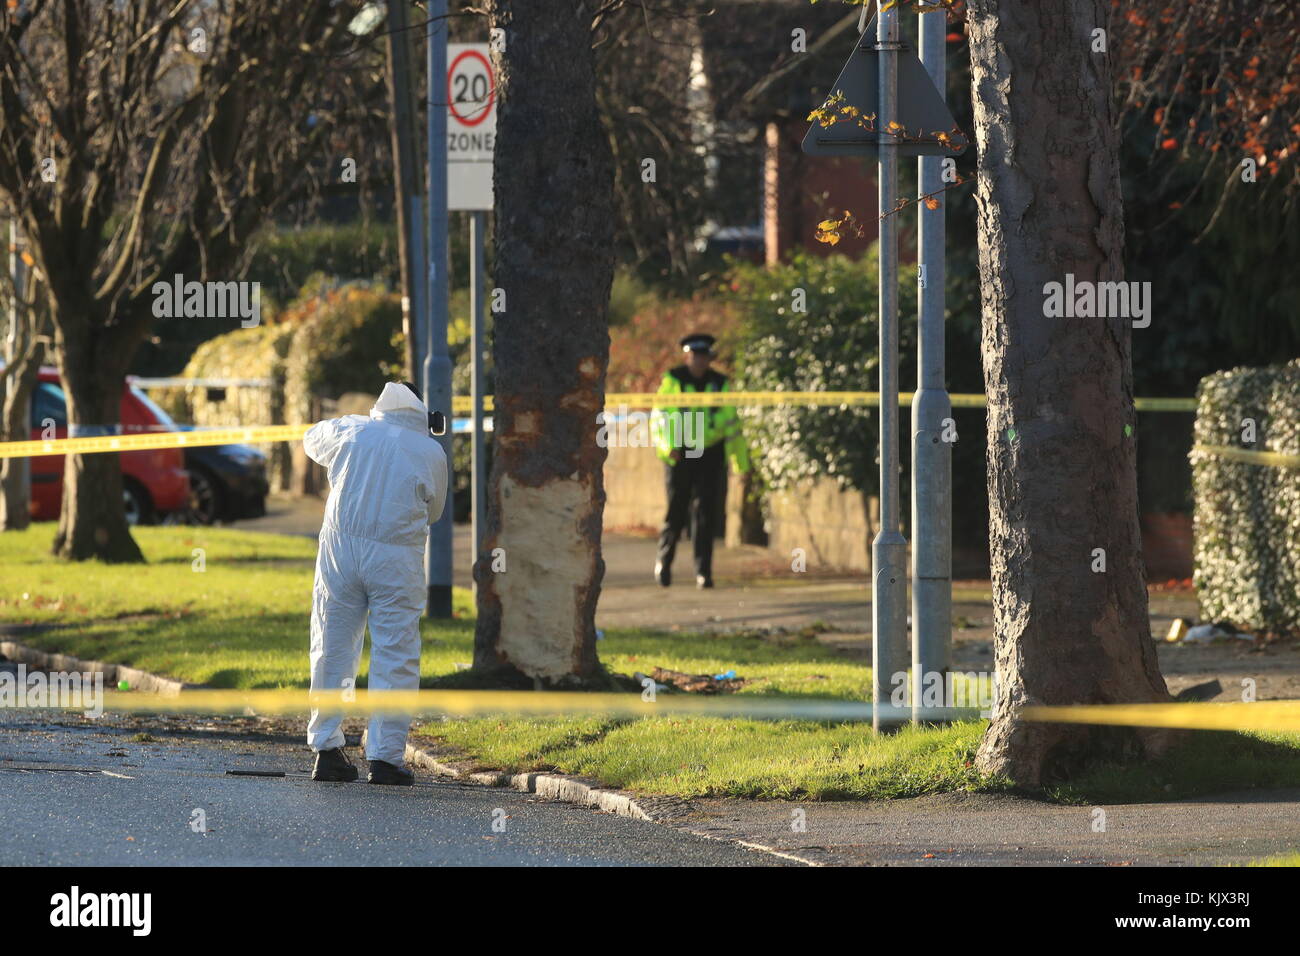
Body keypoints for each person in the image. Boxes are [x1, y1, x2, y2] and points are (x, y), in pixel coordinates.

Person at [303, 381, 448, 785]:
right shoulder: (429, 450)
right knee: (395, 652)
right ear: (422, 414)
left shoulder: (351, 430)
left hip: (339, 554)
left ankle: (327, 750)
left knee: (332, 646)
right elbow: (435, 510)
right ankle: (385, 759)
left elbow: (311, 438)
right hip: (396, 560)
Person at [650, 333, 750, 589]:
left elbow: (732, 424)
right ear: (687, 356)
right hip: (681, 453)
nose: (700, 361)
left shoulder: (719, 383)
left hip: (710, 454)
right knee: (676, 511)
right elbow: (660, 419)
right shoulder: (674, 380)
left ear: (709, 358)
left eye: (704, 357)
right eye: (695, 356)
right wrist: (667, 448)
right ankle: (664, 562)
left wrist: (741, 464)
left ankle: (703, 572)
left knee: (706, 515)